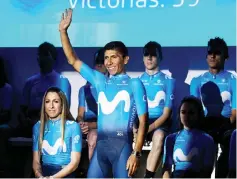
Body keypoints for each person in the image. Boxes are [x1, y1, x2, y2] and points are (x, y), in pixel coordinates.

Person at [59, 8, 148, 178]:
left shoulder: (134, 83)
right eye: (106, 58)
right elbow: (73, 60)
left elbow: (143, 121)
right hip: (101, 148)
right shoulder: (100, 81)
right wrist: (63, 31)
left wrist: (136, 153)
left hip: (123, 147)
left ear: (126, 59)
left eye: (114, 57)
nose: (109, 62)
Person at [190, 37, 236, 177]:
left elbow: (235, 113)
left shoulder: (233, 81)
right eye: (210, 52)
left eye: (217, 52)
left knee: (230, 141)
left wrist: (223, 128)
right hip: (204, 126)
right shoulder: (196, 81)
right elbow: (193, 111)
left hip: (226, 126)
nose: (212, 55)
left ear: (225, 57)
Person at [137, 41, 175, 178]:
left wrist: (148, 128)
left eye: (153, 55)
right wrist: (137, 129)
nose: (149, 58)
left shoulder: (168, 81)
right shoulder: (137, 81)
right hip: (139, 124)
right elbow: (132, 111)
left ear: (160, 58)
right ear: (142, 58)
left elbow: (167, 113)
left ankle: (148, 176)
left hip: (159, 125)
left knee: (159, 136)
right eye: (146, 54)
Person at [19, 42, 71, 137]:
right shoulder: (30, 82)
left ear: (53, 58)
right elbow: (23, 108)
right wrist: (26, 121)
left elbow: (66, 109)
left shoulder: (63, 81)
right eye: (40, 54)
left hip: (55, 123)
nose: (42, 58)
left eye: (46, 54)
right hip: (33, 122)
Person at [32, 87, 82, 178]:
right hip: (44, 172)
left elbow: (74, 163)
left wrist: (52, 178)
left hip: (65, 173)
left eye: (55, 101)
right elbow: (36, 161)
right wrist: (39, 176)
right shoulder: (37, 126)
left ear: (62, 105)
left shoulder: (73, 126)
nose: (51, 106)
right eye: (47, 102)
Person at [162, 96, 216, 178]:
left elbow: (207, 171)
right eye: (183, 112)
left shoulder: (207, 139)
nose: (186, 116)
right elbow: (166, 169)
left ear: (198, 114)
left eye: (191, 112)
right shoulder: (170, 138)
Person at [77, 48, 107, 160]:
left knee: (93, 136)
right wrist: (81, 124)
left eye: (101, 62)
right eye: (97, 62)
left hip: (103, 127)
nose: (99, 65)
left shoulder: (110, 88)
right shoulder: (83, 90)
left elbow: (110, 120)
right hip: (87, 126)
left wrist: (90, 126)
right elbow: (80, 115)